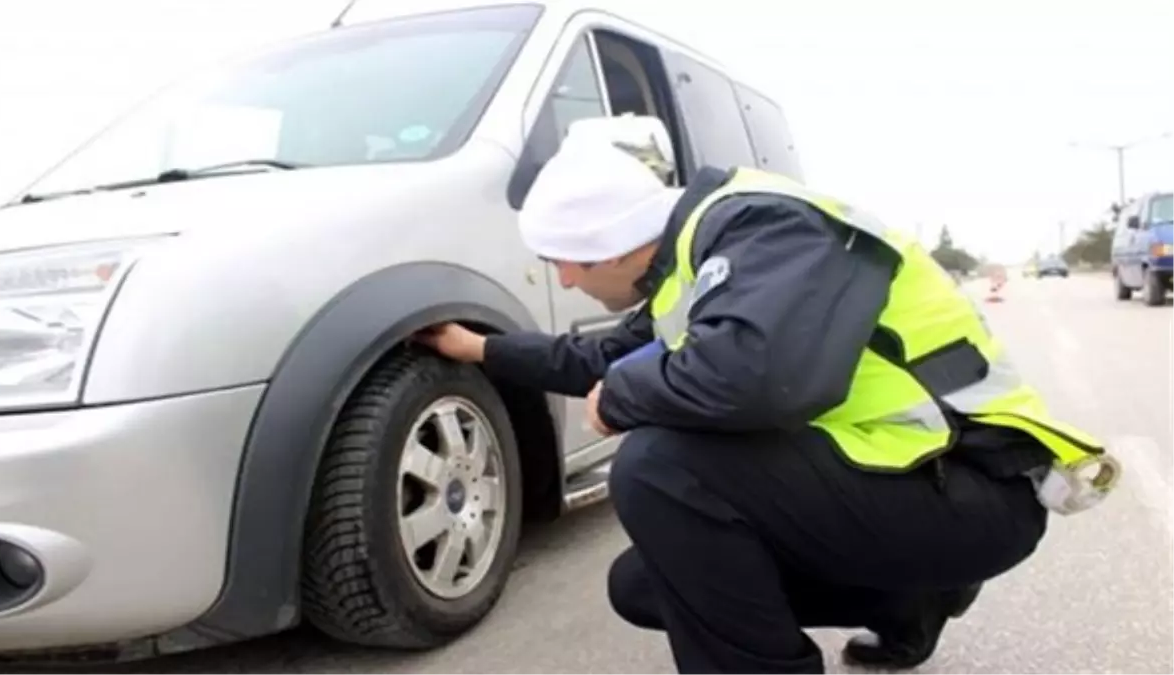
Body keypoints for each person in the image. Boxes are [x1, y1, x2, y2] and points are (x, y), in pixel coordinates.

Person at [413, 116, 1118, 674]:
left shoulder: (771, 228)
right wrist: (479, 349)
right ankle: (910, 599)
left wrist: (621, 394)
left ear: (612, 245)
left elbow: (759, 378)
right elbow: (603, 355)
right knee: (643, 586)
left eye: (563, 263)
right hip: (898, 484)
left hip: (972, 483)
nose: (563, 282)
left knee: (660, 465)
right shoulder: (693, 267)